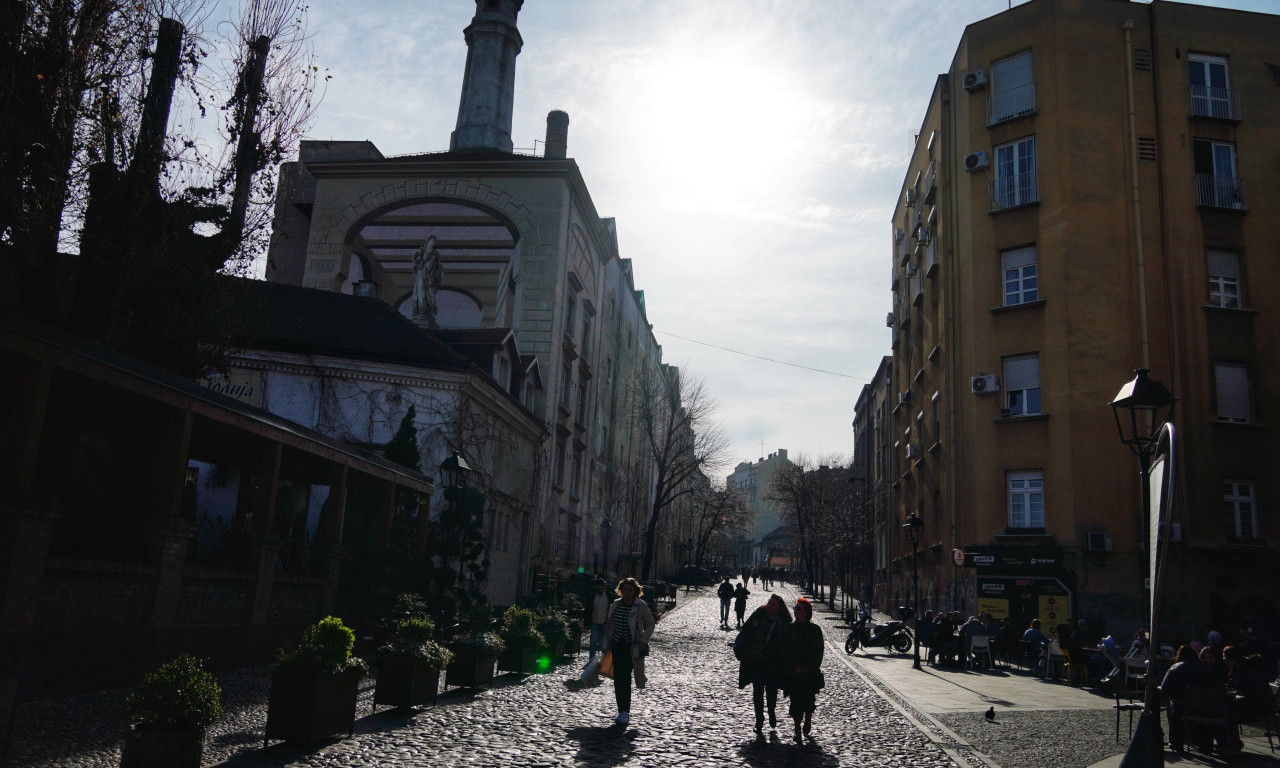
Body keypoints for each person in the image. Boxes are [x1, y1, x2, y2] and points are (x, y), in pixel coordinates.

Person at [601, 577, 655, 725]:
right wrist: (606, 645)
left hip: (631, 647)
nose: (627, 592)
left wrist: (644, 640)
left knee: (625, 677)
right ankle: (621, 711)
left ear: (635, 591)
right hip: (617, 645)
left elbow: (650, 624)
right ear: (621, 590)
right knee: (618, 679)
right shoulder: (616, 604)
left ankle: (625, 711)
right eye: (625, 589)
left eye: (630, 590)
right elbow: (609, 627)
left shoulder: (640, 606)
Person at [735, 593, 792, 734]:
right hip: (757, 660)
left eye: (773, 604)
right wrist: (753, 626)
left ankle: (771, 711)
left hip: (774, 662)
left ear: (779, 608)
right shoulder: (759, 615)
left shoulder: (783, 623)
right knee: (758, 691)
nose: (770, 605)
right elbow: (745, 629)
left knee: (772, 692)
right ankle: (759, 720)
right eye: (769, 602)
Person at [1161, 644, 1231, 753]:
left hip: (1185, 709)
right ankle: (1205, 743)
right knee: (1202, 707)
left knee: (1172, 705)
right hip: (1210, 710)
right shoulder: (1208, 670)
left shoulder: (1176, 668)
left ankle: (1176, 742)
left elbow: (1165, 689)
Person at [782, 598, 824, 743]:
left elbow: (819, 651)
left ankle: (808, 719)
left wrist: (810, 667)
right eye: (795, 608)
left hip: (809, 672)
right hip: (794, 672)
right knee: (795, 701)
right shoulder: (788, 629)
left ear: (806, 613)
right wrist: (793, 667)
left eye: (799, 608)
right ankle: (797, 729)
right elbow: (784, 650)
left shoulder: (815, 630)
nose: (796, 610)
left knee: (809, 699)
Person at [588, 578, 610, 659]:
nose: (602, 587)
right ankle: (591, 659)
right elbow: (588, 609)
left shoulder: (609, 596)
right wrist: (586, 623)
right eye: (600, 586)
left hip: (604, 623)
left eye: (603, 586)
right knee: (593, 641)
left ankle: (601, 660)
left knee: (602, 643)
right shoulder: (592, 595)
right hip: (595, 622)